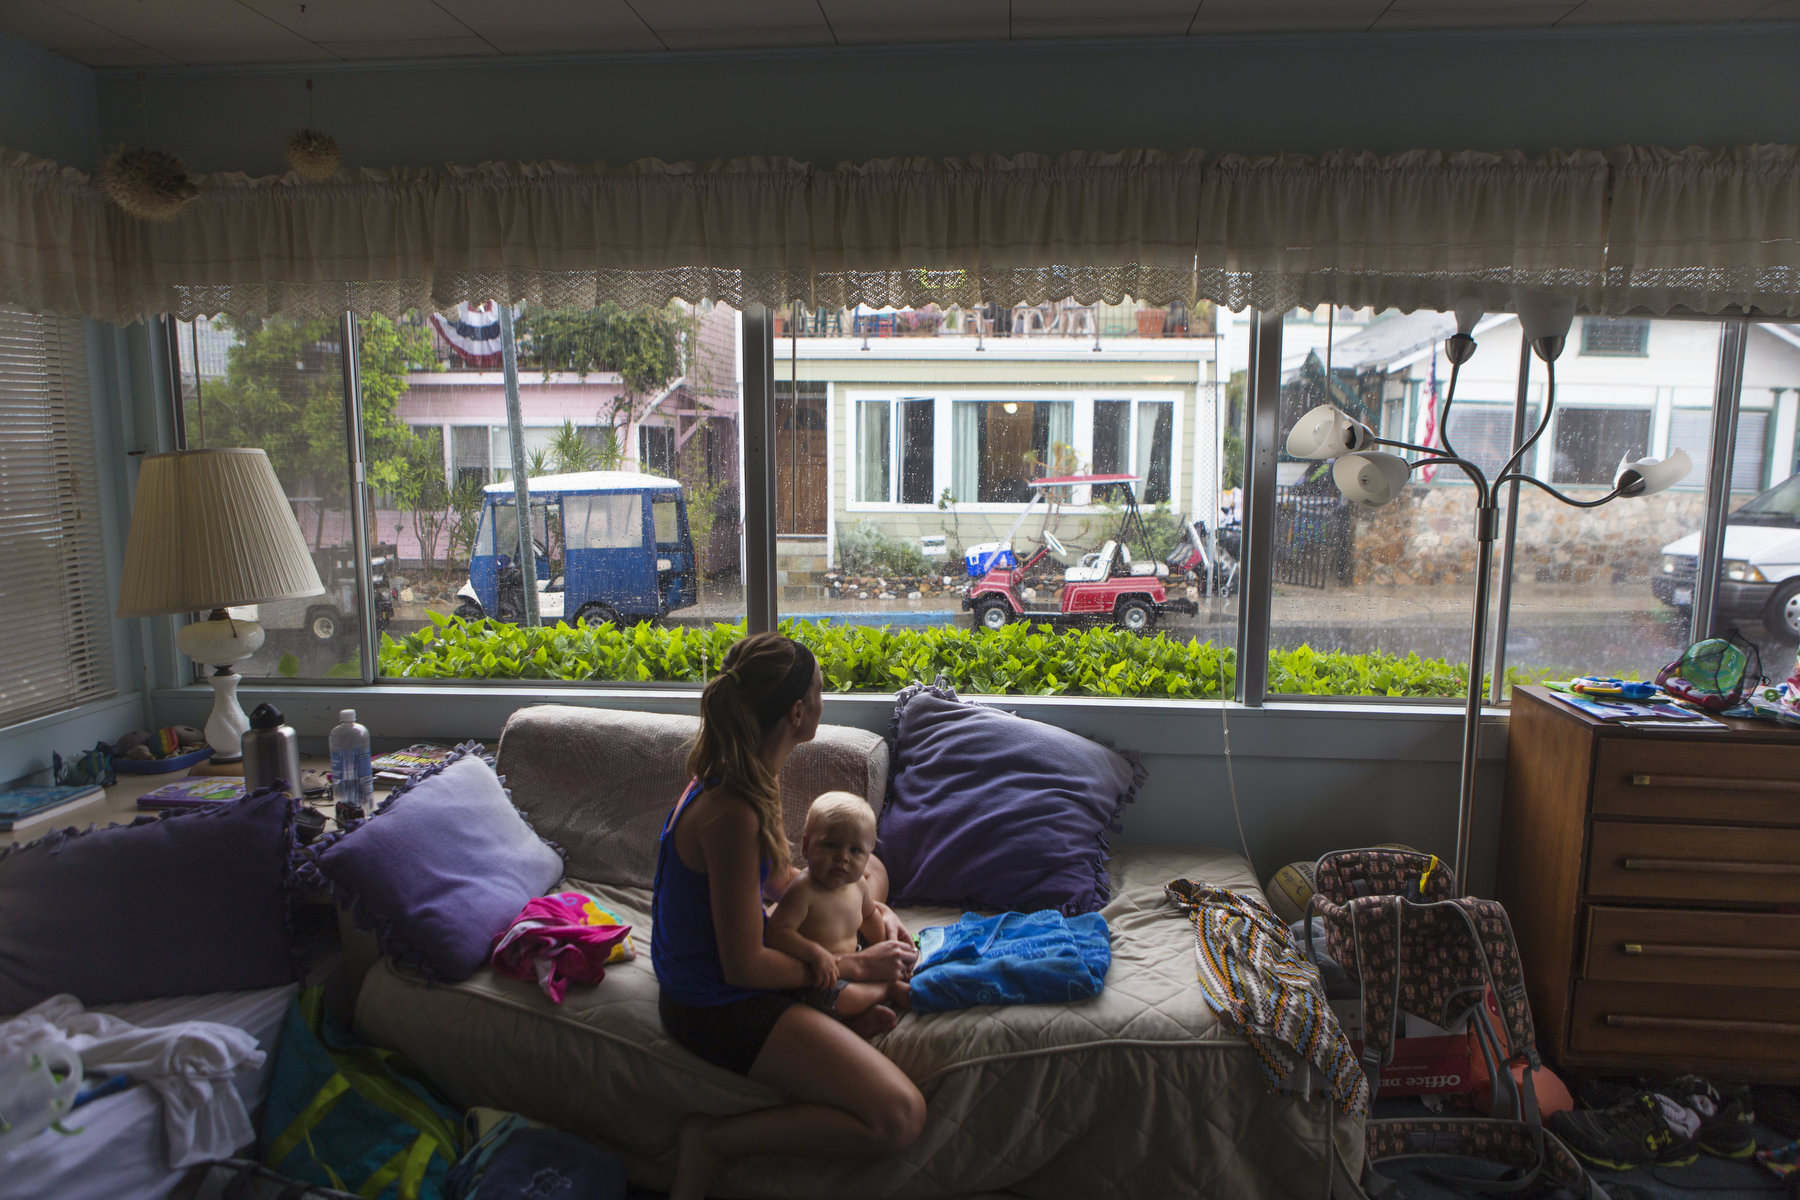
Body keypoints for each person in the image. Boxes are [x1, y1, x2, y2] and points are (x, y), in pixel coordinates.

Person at [652, 632, 925, 1200]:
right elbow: (743, 967)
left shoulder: (746, 773)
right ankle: (712, 1141)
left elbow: (777, 879)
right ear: (799, 712)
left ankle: (850, 996)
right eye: (821, 691)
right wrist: (855, 966)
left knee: (869, 872)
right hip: (712, 1003)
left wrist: (874, 910)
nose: (825, 701)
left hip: (732, 976)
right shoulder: (732, 811)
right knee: (899, 1117)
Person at [765, 791, 911, 1024]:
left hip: (852, 961)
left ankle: (859, 1022)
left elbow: (870, 915)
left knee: (869, 978)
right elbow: (776, 934)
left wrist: (885, 945)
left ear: (867, 854)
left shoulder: (859, 884)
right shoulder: (802, 890)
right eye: (831, 845)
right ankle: (887, 990)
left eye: (855, 851)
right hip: (818, 977)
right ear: (805, 846)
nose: (842, 857)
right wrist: (814, 953)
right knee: (843, 998)